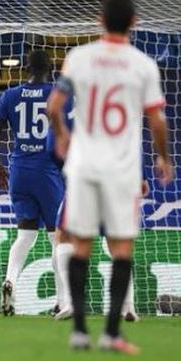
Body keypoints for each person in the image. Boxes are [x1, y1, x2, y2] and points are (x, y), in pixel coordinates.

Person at [48, 0, 173, 353]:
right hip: (122, 169)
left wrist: (62, 135)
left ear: (100, 20)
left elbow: (53, 105)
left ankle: (80, 332)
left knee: (79, 243)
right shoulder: (143, 65)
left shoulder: (79, 58)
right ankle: (112, 333)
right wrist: (164, 158)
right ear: (134, 21)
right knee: (120, 247)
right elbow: (157, 120)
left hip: (84, 163)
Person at [47, 102, 143, 322]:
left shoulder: (69, 102)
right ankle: (127, 307)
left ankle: (70, 302)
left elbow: (51, 146)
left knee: (64, 236)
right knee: (117, 243)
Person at [0, 50, 64, 316]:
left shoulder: (9, 95)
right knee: (58, 238)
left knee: (25, 235)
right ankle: (61, 301)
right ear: (51, 69)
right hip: (48, 171)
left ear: (26, 69)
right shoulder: (58, 95)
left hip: (19, 170)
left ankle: (10, 280)